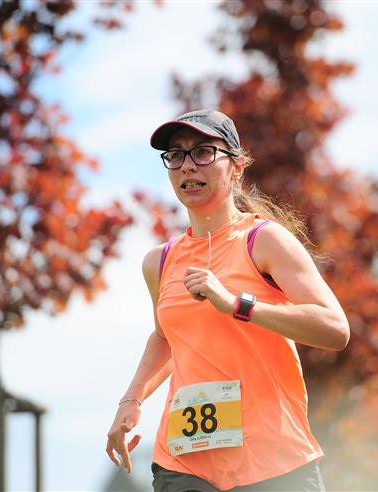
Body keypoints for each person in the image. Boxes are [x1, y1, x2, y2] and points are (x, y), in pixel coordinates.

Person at [106, 109, 350, 491]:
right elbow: (166, 338)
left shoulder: (264, 241)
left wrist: (238, 304)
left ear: (236, 167)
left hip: (273, 463)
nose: (188, 165)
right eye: (176, 155)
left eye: (203, 152)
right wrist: (131, 401)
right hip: (184, 464)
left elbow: (335, 328)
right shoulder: (159, 262)